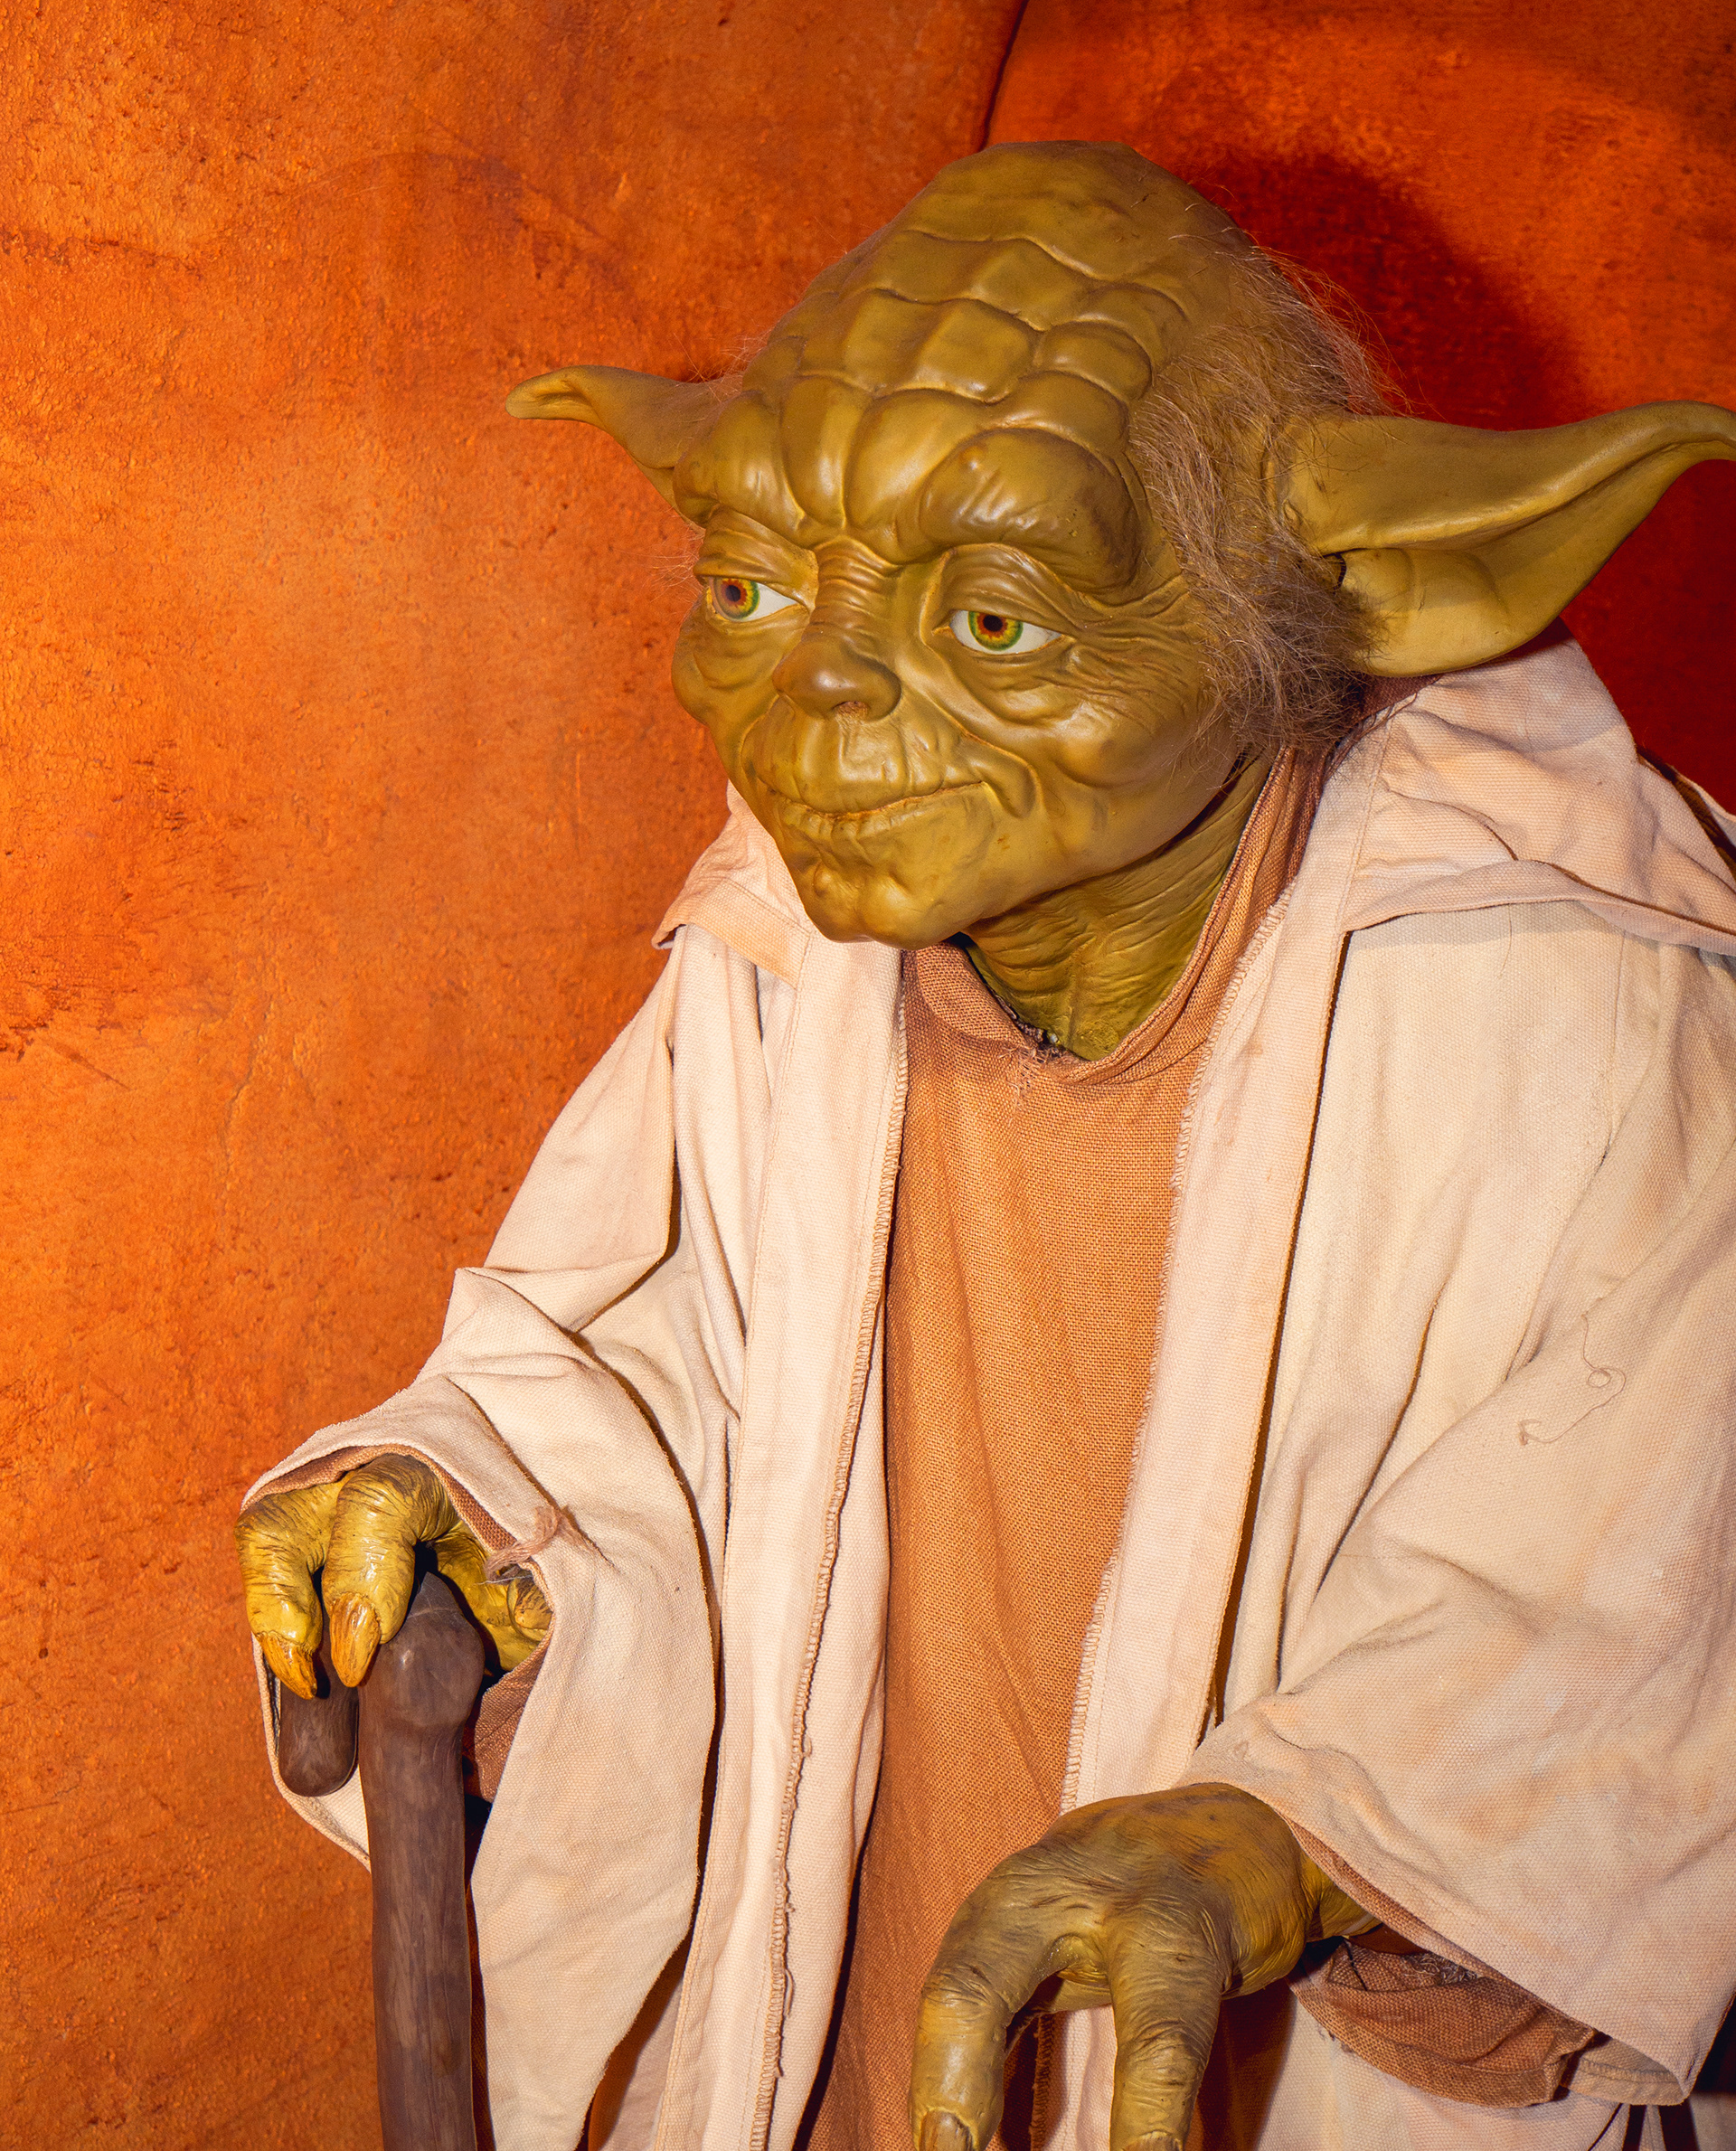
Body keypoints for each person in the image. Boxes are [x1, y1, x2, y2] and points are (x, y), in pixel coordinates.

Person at [237, 144, 1736, 2151]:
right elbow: (650, 1345)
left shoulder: (1588, 1001)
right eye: (751, 587)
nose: (812, 700)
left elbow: (1642, 1570)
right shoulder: (784, 947)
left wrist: (1299, 1834)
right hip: (863, 2006)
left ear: (1341, 590)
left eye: (999, 617)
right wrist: (468, 1496)